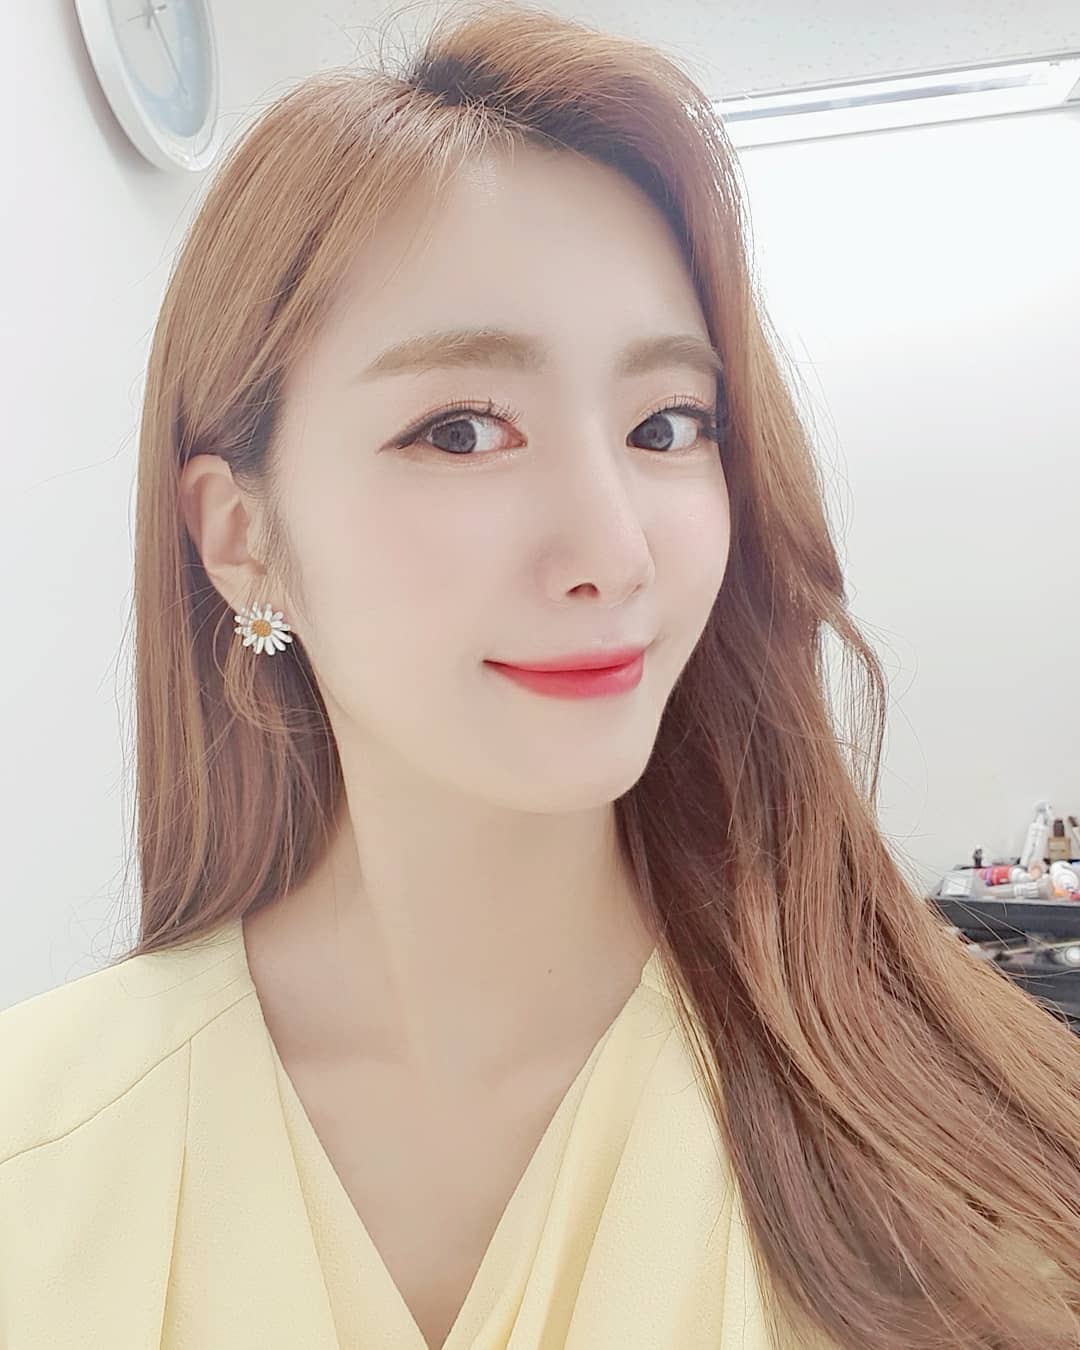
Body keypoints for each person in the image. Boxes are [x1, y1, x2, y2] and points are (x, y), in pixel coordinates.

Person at [3, 4, 1078, 1348]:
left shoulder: (968, 1152)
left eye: (666, 425)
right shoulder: (39, 1148)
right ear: (241, 536)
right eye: (462, 430)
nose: (614, 553)